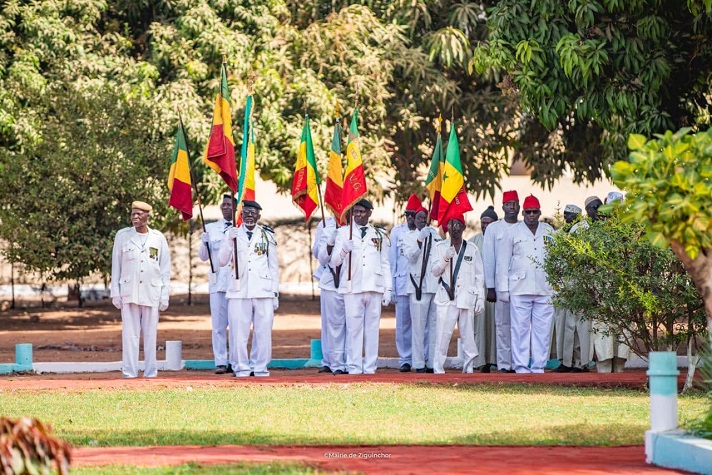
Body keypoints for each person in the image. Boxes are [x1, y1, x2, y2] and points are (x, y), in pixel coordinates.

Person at [111, 200, 171, 378]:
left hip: (152, 292)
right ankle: (129, 372)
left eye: (139, 214)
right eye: (133, 214)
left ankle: (150, 372)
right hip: (129, 291)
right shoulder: (122, 236)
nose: (135, 217)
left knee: (151, 335)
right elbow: (116, 266)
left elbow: (165, 268)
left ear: (148, 216)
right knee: (130, 335)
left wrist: (165, 294)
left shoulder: (158, 238)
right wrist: (115, 292)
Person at [331, 198, 392, 375]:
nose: (357, 215)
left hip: (374, 286)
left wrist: (388, 289)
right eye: (355, 212)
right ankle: (354, 367)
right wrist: (343, 250)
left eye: (361, 212)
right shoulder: (343, 233)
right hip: (352, 287)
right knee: (353, 329)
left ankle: (370, 367)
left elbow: (385, 263)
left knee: (372, 330)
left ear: (369, 213)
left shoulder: (379, 234)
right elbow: (335, 261)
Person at [218, 200, 279, 377]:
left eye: (254, 213)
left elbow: (273, 266)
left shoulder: (267, 235)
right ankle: (241, 367)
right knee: (238, 332)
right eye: (246, 212)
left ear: (259, 215)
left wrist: (275, 294)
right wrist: (229, 240)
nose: (250, 215)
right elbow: (222, 261)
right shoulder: (232, 234)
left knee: (263, 331)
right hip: (239, 290)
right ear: (241, 215)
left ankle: (260, 367)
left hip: (263, 290)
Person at [496, 194, 555, 374]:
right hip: (519, 288)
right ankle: (521, 366)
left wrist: (558, 286)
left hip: (545, 288)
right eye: (528, 212)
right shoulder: (512, 232)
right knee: (520, 330)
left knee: (542, 331)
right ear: (523, 212)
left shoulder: (549, 231)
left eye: (534, 212)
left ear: (539, 212)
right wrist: (503, 290)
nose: (531, 215)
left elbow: (557, 260)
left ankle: (538, 367)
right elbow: (502, 262)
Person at [431, 213, 484, 374]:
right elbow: (434, 271)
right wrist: (445, 259)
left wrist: (480, 297)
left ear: (463, 227)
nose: (454, 229)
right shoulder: (440, 247)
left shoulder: (472, 249)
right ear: (447, 228)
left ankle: (468, 366)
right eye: (451, 226)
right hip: (447, 297)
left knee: (468, 335)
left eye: (457, 225)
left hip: (466, 297)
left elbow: (479, 275)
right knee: (443, 335)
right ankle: (438, 368)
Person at [482, 190, 520, 373]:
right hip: (500, 286)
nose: (512, 207)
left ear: (519, 206)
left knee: (520, 326)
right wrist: (490, 287)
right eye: (508, 204)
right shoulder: (493, 229)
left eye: (515, 203)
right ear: (502, 207)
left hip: (521, 287)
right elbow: (489, 259)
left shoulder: (523, 227)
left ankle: (520, 362)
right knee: (502, 325)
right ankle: (505, 364)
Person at [552, 204, 594, 373]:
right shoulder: (558, 234)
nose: (568, 218)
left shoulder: (584, 232)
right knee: (562, 325)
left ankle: (581, 363)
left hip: (580, 286)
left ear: (578, 217)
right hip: (562, 288)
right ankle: (565, 361)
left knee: (581, 327)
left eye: (572, 216)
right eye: (566, 215)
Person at [198, 194, 236, 374]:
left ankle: (236, 361)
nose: (225, 207)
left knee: (237, 325)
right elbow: (204, 257)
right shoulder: (211, 228)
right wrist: (204, 243)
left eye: (229, 204)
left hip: (236, 283)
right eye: (224, 204)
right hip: (217, 282)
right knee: (218, 326)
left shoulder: (242, 228)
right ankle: (221, 361)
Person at [402, 206, 441, 373]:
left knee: (434, 326)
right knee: (418, 327)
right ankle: (418, 363)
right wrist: (419, 240)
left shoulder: (434, 235)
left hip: (434, 285)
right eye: (419, 217)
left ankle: (432, 362)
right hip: (418, 286)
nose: (422, 220)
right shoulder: (408, 236)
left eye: (424, 217)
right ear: (413, 218)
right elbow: (411, 257)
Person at [388, 194, 420, 372]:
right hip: (401, 283)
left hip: (420, 285)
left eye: (413, 214)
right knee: (403, 324)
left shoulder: (427, 232)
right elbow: (392, 260)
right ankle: (405, 359)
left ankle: (420, 357)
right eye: (407, 214)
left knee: (421, 323)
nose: (410, 218)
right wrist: (390, 286)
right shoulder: (396, 232)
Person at [314, 216, 348, 374]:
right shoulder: (326, 224)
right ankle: (331, 362)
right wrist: (330, 242)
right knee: (331, 324)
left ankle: (349, 361)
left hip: (351, 280)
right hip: (329, 278)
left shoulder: (356, 226)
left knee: (351, 325)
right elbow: (319, 256)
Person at [468, 206, 499, 373]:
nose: (485, 226)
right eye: (483, 223)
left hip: (497, 290)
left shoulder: (500, 239)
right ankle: (481, 361)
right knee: (480, 326)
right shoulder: (473, 242)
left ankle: (497, 359)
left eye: (489, 223)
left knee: (498, 326)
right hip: (479, 290)